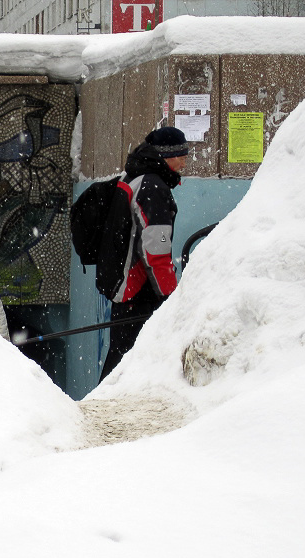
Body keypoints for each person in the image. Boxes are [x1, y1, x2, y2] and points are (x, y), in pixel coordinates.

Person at [99, 126, 187, 381]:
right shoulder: (153, 187)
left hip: (123, 282)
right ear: (166, 156)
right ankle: (106, 402)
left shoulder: (135, 175)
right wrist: (170, 296)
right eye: (181, 156)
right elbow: (157, 248)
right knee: (127, 361)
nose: (184, 163)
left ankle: (104, 398)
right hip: (138, 288)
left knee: (120, 356)